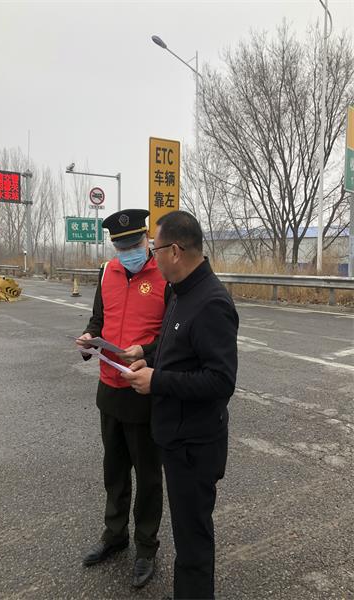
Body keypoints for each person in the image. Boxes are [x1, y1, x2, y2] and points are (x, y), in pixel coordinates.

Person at [122, 210, 239, 600]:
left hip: (196, 446)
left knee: (193, 544)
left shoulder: (212, 303)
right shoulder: (178, 291)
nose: (151, 258)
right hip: (175, 437)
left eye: (154, 250)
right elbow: (175, 347)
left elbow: (220, 381)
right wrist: (147, 355)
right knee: (187, 533)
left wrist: (157, 381)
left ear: (175, 251)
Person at [76, 209, 169, 588]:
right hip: (108, 388)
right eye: (122, 247)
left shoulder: (164, 275)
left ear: (147, 240)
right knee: (114, 472)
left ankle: (146, 547)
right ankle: (114, 534)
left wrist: (146, 352)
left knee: (147, 476)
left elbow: (173, 337)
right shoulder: (107, 273)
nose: (129, 252)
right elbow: (98, 319)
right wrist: (88, 338)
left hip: (143, 391)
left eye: (135, 244)